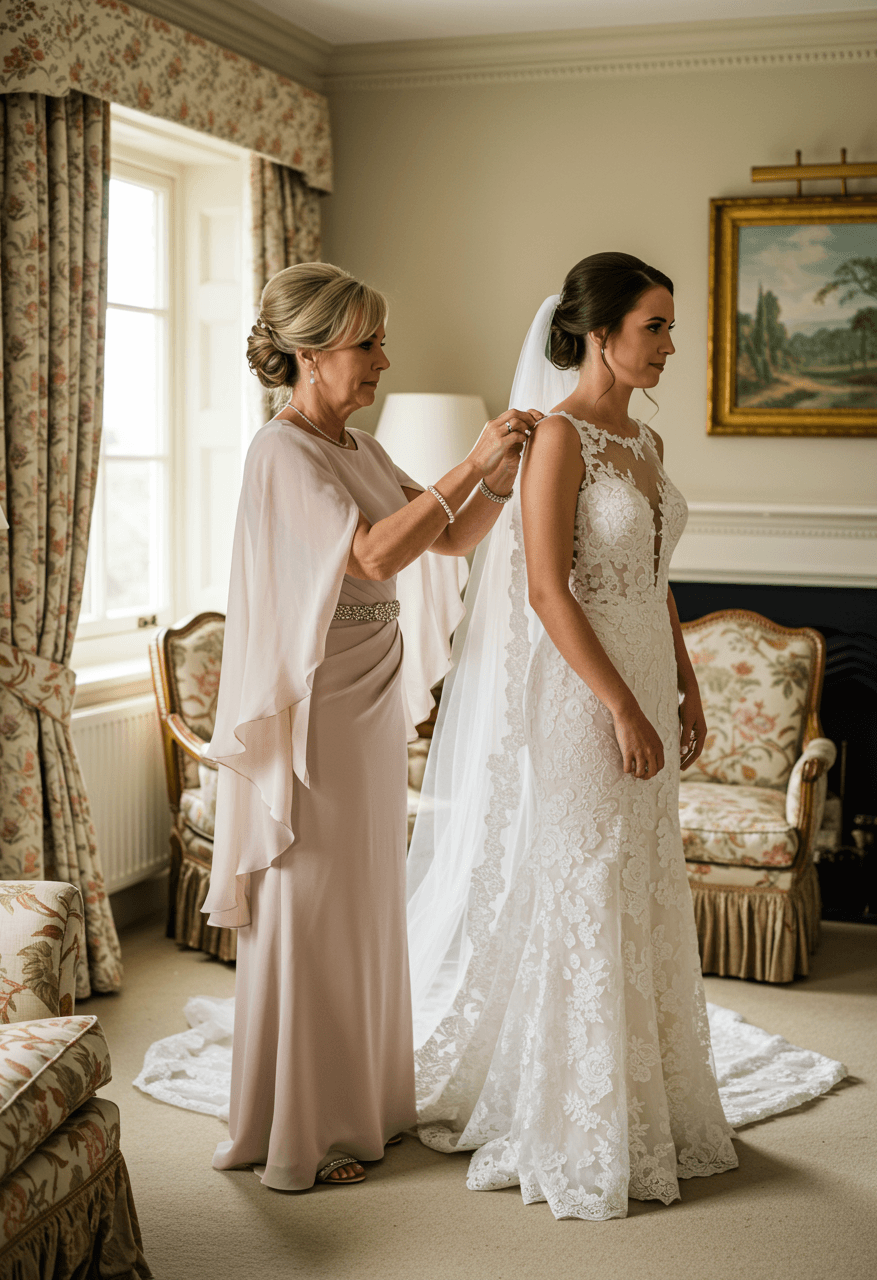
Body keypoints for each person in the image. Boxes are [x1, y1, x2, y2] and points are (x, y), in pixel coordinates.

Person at [406, 253, 738, 1220]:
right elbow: (549, 589)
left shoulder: (649, 444)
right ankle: (579, 1121)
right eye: (656, 327)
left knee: (642, 880)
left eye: (672, 327)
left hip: (644, 677)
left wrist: (683, 683)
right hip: (582, 696)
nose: (671, 346)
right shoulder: (558, 438)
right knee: (587, 886)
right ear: (598, 334)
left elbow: (654, 579)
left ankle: (652, 1108)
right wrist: (623, 707)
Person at [201, 261, 539, 1190]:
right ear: (309, 355)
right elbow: (370, 554)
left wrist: (498, 481)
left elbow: (442, 538)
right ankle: (295, 1129)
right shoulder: (283, 452)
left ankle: (360, 1108)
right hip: (319, 715)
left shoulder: (354, 445)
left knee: (363, 912)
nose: (384, 360)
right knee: (313, 913)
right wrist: (468, 460)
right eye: (367, 343)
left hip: (372, 701)